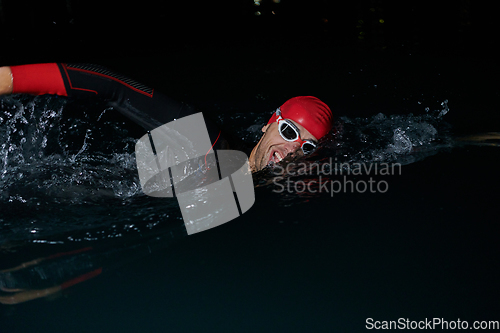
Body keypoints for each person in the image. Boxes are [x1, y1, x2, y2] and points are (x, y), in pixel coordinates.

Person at [0, 63, 333, 172]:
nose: (291, 150)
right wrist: (9, 79)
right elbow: (112, 87)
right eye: (289, 131)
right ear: (268, 122)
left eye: (307, 147)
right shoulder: (209, 141)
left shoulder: (291, 186)